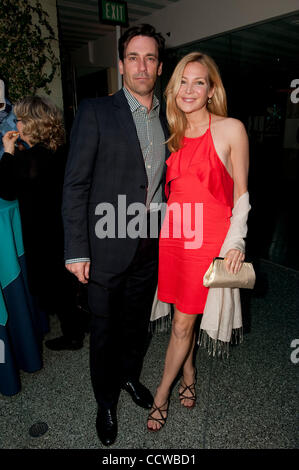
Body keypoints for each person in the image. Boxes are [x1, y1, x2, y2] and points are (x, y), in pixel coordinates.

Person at [62, 24, 168, 446]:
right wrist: (75, 250)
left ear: (159, 66)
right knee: (104, 331)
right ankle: (105, 403)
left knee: (136, 326)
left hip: (149, 243)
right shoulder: (95, 111)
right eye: (133, 57)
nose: (142, 66)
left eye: (150, 58)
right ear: (121, 64)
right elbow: (75, 185)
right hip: (105, 246)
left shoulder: (169, 115)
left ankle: (128, 377)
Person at [147, 52, 250, 431]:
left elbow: (241, 192)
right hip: (173, 237)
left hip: (207, 242)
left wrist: (236, 240)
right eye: (183, 82)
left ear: (211, 90)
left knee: (181, 324)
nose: (189, 90)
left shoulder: (230, 129)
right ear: (174, 89)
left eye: (199, 82)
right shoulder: (171, 133)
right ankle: (189, 372)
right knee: (181, 317)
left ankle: (161, 396)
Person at [0, 96, 87, 350]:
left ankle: (73, 336)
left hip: (44, 233)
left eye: (20, 119)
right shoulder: (57, 148)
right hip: (63, 229)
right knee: (66, 285)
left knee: (57, 288)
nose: (16, 123)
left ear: (31, 124)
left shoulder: (30, 160)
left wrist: (7, 151)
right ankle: (79, 323)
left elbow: (5, 189)